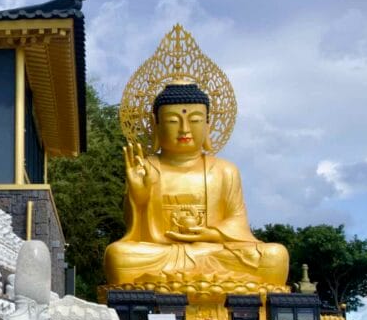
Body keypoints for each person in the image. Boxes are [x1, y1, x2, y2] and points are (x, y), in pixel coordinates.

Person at [104, 82, 288, 294]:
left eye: (195, 120)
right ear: (156, 126)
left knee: (275, 255)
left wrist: (210, 233)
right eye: (173, 121)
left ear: (208, 125)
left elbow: (238, 222)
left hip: (213, 250)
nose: (184, 129)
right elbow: (135, 232)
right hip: (163, 253)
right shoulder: (145, 168)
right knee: (118, 255)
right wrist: (139, 197)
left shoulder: (225, 170)